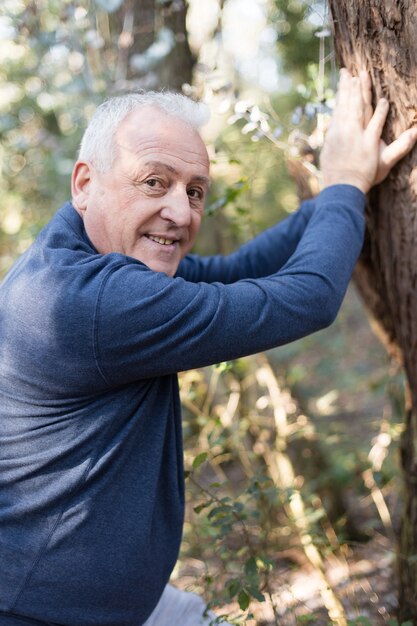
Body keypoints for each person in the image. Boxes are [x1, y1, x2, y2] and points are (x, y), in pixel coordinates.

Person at [0, 69, 415, 626]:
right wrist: (344, 183)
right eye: (154, 182)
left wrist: (334, 196)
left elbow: (237, 270)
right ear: (84, 183)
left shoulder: (80, 256)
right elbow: (309, 299)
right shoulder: (96, 303)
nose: (181, 212)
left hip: (99, 598)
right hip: (45, 612)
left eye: (195, 191)